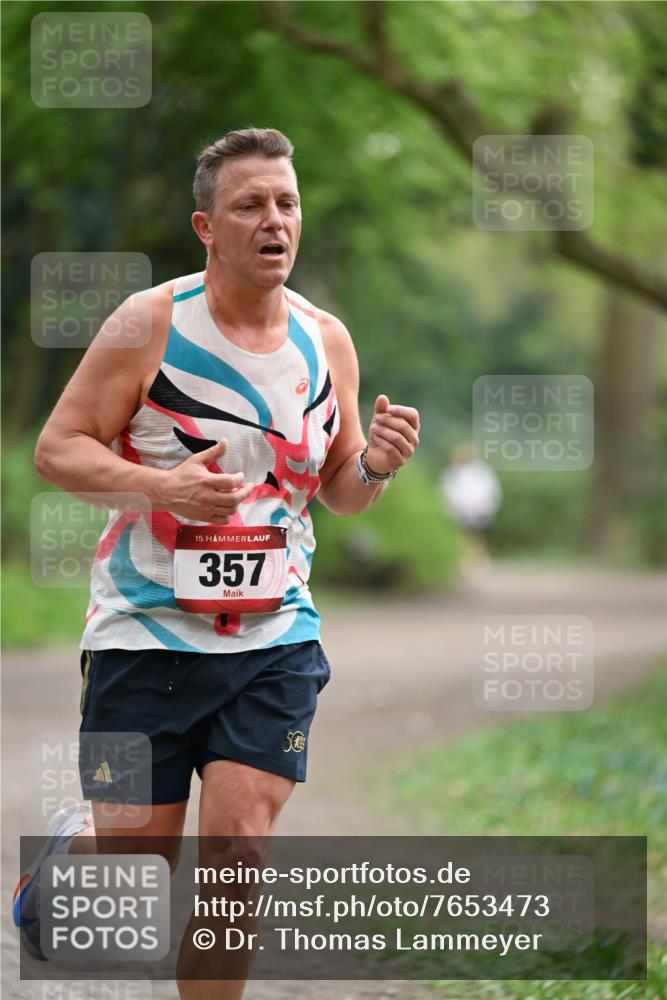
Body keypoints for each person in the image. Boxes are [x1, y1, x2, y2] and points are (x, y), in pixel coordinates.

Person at [13, 127, 420, 997]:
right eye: (249, 205)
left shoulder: (326, 341)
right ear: (206, 227)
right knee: (137, 863)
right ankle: (67, 856)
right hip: (143, 636)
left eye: (286, 202)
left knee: (238, 854)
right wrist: (158, 488)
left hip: (273, 638)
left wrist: (376, 463)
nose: (273, 220)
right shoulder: (149, 322)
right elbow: (57, 450)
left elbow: (339, 491)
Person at [439, 443, 502, 570]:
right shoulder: (451, 473)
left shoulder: (482, 472)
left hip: (480, 511)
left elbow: (490, 491)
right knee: (462, 537)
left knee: (478, 537)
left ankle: (478, 561)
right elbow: (447, 494)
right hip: (460, 512)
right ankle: (464, 561)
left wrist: (484, 507)